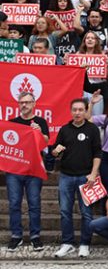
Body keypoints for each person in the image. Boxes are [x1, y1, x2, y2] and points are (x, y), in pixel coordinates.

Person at [52, 98, 102, 259]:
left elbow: (97, 153)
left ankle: (85, 244)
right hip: (66, 176)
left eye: (81, 110)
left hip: (85, 177)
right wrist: (56, 151)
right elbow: (55, 151)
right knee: (65, 211)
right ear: (71, 111)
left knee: (86, 213)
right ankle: (67, 243)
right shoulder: (64, 129)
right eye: (75, 110)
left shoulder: (92, 129)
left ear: (86, 110)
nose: (77, 113)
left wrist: (94, 173)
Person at [6, 92, 49, 252]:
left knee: (34, 204)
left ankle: (35, 236)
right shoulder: (12, 123)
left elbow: (45, 144)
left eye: (27, 102)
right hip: (15, 170)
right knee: (14, 204)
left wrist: (39, 132)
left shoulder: (40, 122)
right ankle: (16, 236)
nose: (24, 105)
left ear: (34, 103)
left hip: (34, 169)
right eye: (21, 102)